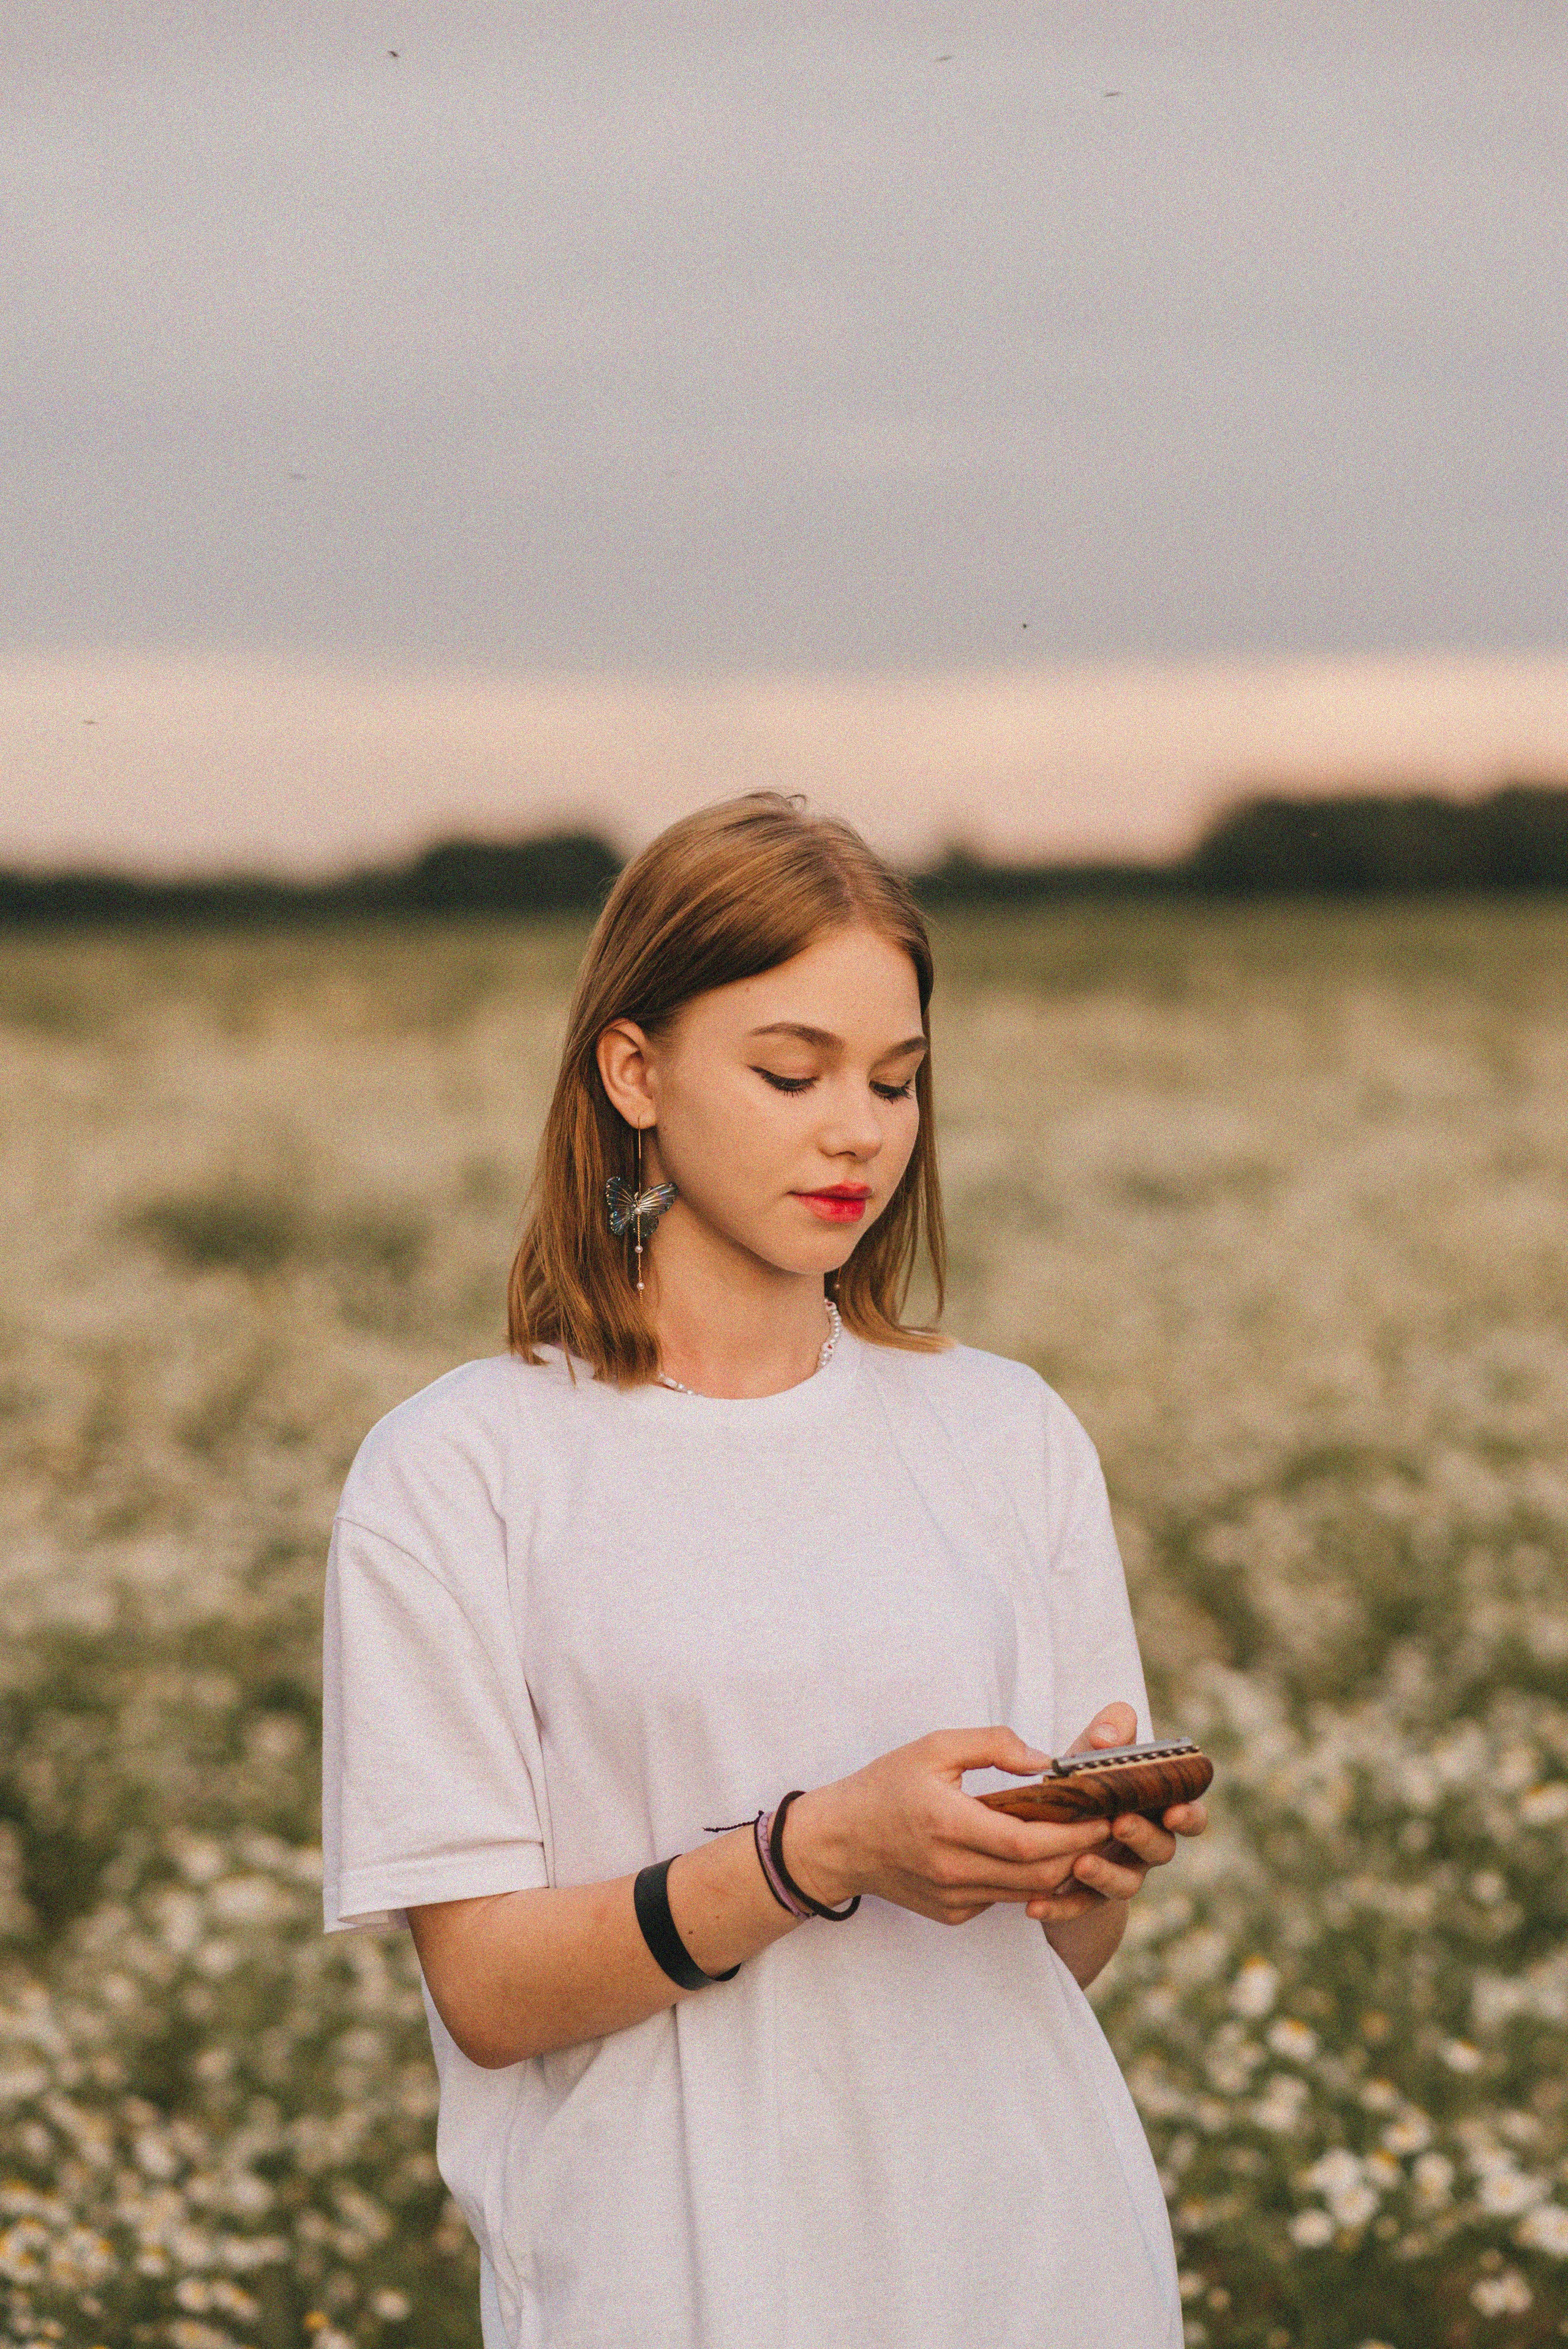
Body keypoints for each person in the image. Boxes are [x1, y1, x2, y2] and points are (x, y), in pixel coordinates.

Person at [321, 792, 1207, 2349]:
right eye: (790, 1071)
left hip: (1034, 2257)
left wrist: (1075, 1865)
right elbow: (487, 1989)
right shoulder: (462, 1469)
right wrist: (819, 1848)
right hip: (672, 2273)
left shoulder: (1004, 1428)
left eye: (895, 1079)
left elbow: (1054, 1969)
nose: (856, 1127)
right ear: (634, 1068)